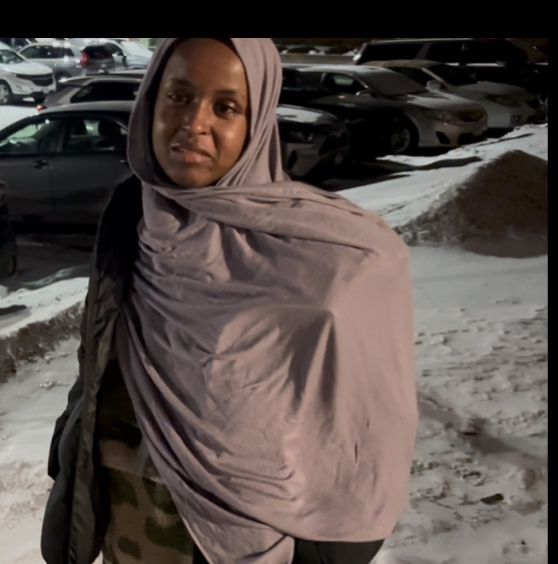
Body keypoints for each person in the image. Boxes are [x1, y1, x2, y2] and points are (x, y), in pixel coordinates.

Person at [41, 38, 418, 564]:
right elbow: (98, 353)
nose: (194, 122)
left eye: (226, 107)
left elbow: (368, 433)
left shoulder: (341, 256)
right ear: (150, 101)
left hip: (251, 542)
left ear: (257, 123)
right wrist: (70, 447)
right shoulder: (135, 215)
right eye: (178, 96)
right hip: (127, 526)